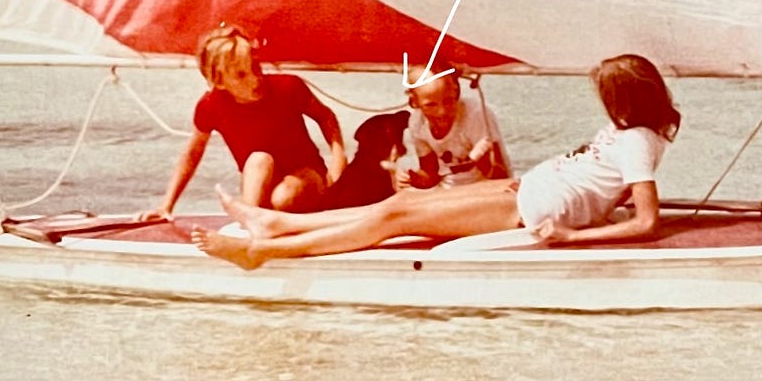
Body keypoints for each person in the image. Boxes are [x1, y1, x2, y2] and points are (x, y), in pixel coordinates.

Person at [190, 54, 680, 269]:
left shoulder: (636, 140)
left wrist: (574, 236)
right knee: (403, 202)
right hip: (528, 189)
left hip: (533, 209)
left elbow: (647, 221)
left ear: (625, 99)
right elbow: (606, 184)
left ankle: (266, 251)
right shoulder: (635, 131)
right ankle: (274, 222)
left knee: (393, 215)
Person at [138, 24, 347, 219]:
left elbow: (327, 118)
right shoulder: (211, 106)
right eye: (241, 75)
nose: (255, 79)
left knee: (284, 198)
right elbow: (192, 154)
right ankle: (253, 219)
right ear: (219, 81)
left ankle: (256, 216)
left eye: (256, 67)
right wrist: (166, 205)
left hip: (306, 175)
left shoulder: (288, 87)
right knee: (259, 159)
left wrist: (338, 164)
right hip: (260, 180)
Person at [399, 65, 511, 189]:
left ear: (456, 92)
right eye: (430, 105)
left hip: (484, 188)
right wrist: (412, 178)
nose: (441, 112)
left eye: (448, 101)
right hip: (448, 191)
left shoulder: (475, 114)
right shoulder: (417, 122)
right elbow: (430, 175)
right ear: (414, 101)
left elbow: (500, 175)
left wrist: (481, 159)